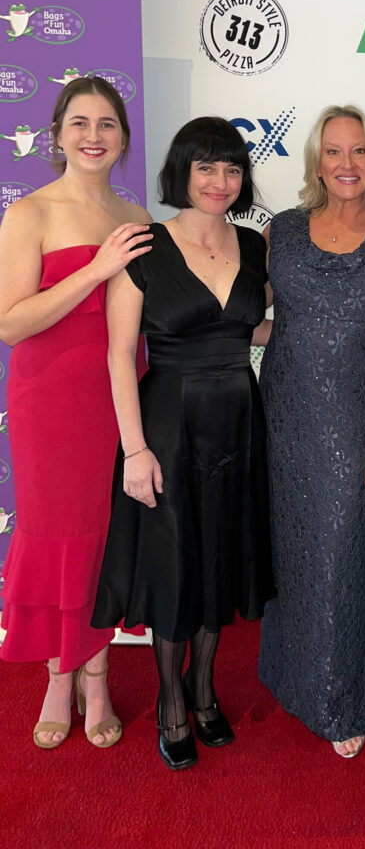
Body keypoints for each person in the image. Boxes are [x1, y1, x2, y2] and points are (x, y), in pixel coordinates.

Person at [91, 117, 275, 770]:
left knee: (218, 560)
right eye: (206, 168)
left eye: (230, 169)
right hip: (166, 426)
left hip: (238, 424)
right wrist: (135, 451)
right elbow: (119, 355)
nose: (219, 181)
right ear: (182, 173)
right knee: (174, 569)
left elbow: (250, 330)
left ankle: (204, 691)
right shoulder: (142, 246)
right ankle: (172, 702)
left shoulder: (256, 246)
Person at [257, 105, 365, 759]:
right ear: (315, 162)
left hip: (360, 423)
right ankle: (288, 674)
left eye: (358, 151)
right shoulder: (284, 230)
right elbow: (261, 313)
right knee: (291, 554)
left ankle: (344, 695)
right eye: (333, 152)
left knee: (343, 558)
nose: (347, 164)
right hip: (286, 414)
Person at [0, 77, 151, 749]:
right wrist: (94, 270)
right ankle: (60, 676)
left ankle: (97, 674)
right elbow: (10, 323)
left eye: (107, 124)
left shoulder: (138, 216)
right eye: (80, 123)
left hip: (117, 397)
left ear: (122, 137)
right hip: (48, 400)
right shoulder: (29, 212)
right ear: (58, 134)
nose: (94, 136)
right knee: (54, 532)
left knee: (101, 537)